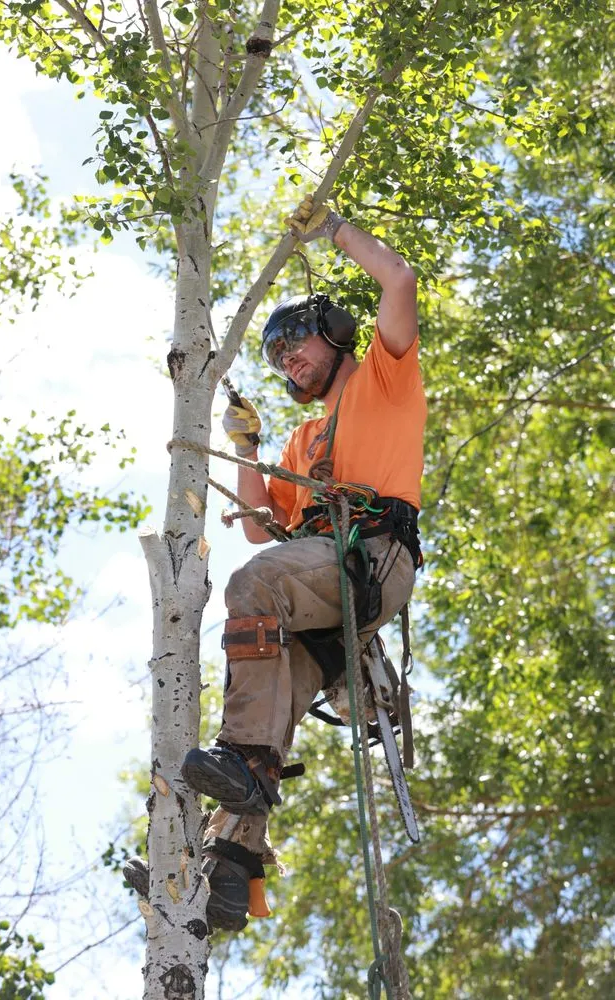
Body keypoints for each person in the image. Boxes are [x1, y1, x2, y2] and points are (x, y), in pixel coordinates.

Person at [179, 197, 428, 933]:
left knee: (251, 589)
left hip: (371, 559)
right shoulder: (303, 443)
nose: (290, 360)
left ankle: (243, 763)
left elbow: (400, 282)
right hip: (318, 580)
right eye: (280, 357)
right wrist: (249, 444)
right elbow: (264, 526)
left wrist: (333, 230)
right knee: (271, 689)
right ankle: (232, 869)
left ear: (334, 336)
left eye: (298, 344)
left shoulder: (386, 376)